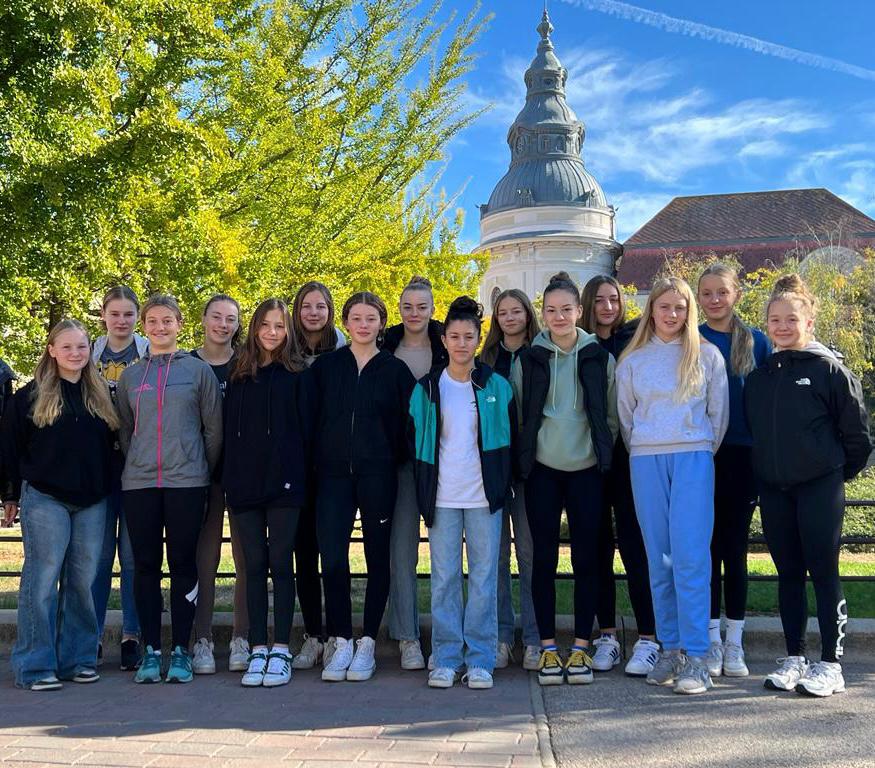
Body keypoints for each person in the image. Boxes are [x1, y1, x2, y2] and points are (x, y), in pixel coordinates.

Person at [745, 274, 873, 698]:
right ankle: (794, 658)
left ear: (809, 323)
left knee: (823, 572)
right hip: (774, 491)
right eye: (775, 320)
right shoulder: (760, 377)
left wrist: (831, 474)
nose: (783, 327)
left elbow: (858, 437)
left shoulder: (829, 370)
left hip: (820, 487)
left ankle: (831, 665)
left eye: (791, 319)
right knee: (787, 574)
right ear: (766, 324)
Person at [616, 276, 729, 695]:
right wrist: (648, 444)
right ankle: (671, 648)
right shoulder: (632, 360)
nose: (672, 314)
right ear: (652, 310)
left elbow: (718, 416)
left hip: (693, 457)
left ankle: (698, 657)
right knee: (658, 559)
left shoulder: (707, 356)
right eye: (664, 306)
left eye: (680, 307)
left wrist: (694, 447)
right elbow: (626, 417)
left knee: (691, 557)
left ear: (689, 312)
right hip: (646, 459)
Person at [511, 272, 618, 687]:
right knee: (544, 561)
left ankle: (581, 647)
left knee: (587, 560)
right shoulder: (529, 359)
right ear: (543, 312)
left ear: (578, 311)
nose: (559, 316)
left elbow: (611, 415)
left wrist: (599, 451)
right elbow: (521, 415)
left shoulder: (598, 357)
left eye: (566, 309)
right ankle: (548, 648)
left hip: (587, 471)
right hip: (543, 471)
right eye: (551, 310)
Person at [3, 320, 118, 690]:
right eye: (66, 347)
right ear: (51, 350)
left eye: (81, 347)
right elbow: (10, 446)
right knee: (41, 581)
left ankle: (77, 660)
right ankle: (35, 666)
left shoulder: (101, 394)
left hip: (93, 500)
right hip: (45, 497)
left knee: (82, 582)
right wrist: (9, 495)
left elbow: (113, 446)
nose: (75, 353)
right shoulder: (30, 396)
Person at [409, 297, 515, 690]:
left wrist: (501, 483)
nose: (461, 343)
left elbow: (510, 438)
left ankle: (481, 658)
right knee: (444, 579)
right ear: (444, 340)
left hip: (484, 497)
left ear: (477, 339)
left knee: (485, 578)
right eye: (454, 336)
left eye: (468, 337)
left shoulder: (496, 385)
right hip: (442, 497)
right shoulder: (426, 389)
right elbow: (415, 441)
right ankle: (446, 657)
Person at [116, 294, 223, 684]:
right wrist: (140, 462)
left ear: (180, 324)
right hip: (140, 485)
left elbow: (213, 431)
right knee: (145, 566)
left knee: (183, 565)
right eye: (153, 321)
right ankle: (150, 650)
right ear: (144, 326)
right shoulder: (130, 377)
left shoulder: (198, 372)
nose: (160, 327)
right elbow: (126, 430)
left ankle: (180, 649)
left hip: (187, 483)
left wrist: (196, 467)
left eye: (167, 321)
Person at [311, 291, 415, 682]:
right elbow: (311, 418)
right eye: (356, 318)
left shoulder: (395, 370)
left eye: (371, 318)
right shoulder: (327, 367)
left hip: (378, 475)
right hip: (332, 477)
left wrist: (390, 456)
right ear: (345, 322)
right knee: (333, 559)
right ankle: (341, 639)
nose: (363, 325)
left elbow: (410, 424)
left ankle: (368, 641)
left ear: (381, 323)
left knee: (377, 558)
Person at [223, 299, 313, 688]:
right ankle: (257, 646)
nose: (271, 333)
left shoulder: (298, 375)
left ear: (288, 331)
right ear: (254, 328)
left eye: (279, 326)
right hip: (244, 484)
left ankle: (280, 649)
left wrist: (299, 477)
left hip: (285, 485)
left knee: (280, 562)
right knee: (254, 565)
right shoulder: (238, 375)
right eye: (265, 325)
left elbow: (306, 433)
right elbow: (228, 431)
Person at [580, 276, 659, 677]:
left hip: (631, 458)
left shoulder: (637, 340)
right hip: (591, 461)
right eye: (600, 300)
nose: (608, 307)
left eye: (614, 299)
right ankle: (607, 635)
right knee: (597, 551)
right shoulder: (580, 346)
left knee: (635, 548)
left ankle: (648, 637)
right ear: (588, 304)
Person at [696, 264, 772, 679]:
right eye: (706, 293)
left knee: (735, 549)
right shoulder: (690, 340)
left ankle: (735, 641)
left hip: (743, 457)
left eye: (721, 292)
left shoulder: (757, 342)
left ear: (736, 294)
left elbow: (769, 404)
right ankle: (710, 640)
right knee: (706, 550)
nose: (714, 300)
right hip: (701, 455)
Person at [380, 275, 447, 671]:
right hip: (400, 461)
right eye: (407, 307)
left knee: (445, 554)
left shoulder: (448, 345)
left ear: (433, 309)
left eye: (422, 306)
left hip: (443, 460)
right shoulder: (386, 346)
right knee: (401, 551)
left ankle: (445, 637)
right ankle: (407, 636)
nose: (414, 313)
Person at [479, 288, 541, 671]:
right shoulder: (485, 361)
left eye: (517, 311)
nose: (510, 318)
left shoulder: (541, 354)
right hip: (494, 468)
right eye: (503, 312)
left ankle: (533, 637)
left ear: (527, 314)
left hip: (532, 468)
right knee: (495, 556)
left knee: (530, 554)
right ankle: (501, 636)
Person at [190, 294, 250, 675]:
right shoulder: (187, 363)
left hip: (242, 472)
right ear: (204, 319)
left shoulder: (247, 363)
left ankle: (242, 637)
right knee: (204, 558)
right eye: (217, 317)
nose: (223, 325)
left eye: (230, 319)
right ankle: (202, 639)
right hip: (200, 474)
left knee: (247, 558)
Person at [289, 281, 346, 670]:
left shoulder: (343, 352)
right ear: (297, 311)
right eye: (306, 306)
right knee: (304, 554)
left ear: (329, 310)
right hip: (294, 467)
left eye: (320, 306)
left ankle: (339, 636)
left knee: (334, 553)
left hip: (333, 469)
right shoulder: (284, 352)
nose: (313, 313)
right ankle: (313, 635)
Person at [91, 286, 148, 671]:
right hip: (97, 468)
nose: (121, 320)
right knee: (96, 559)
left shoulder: (149, 352)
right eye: (115, 313)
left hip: (137, 465)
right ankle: (90, 635)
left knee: (132, 556)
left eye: (128, 314)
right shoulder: (89, 353)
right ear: (104, 316)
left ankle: (131, 635)